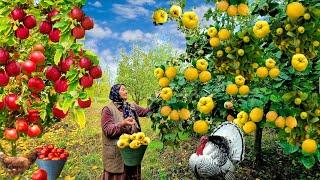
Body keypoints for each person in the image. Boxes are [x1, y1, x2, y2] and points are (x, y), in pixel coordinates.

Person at [101, 84, 158, 180]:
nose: (126, 91)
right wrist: (122, 123)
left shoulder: (131, 106)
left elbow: (146, 111)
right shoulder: (108, 109)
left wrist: (156, 100)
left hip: (132, 152)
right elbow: (108, 130)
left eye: (126, 89)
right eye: (123, 89)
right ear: (115, 92)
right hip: (116, 155)